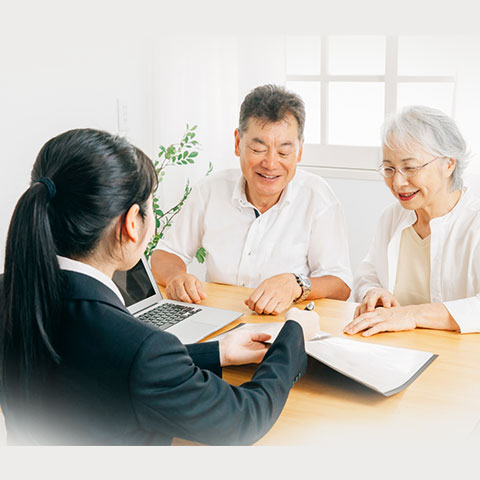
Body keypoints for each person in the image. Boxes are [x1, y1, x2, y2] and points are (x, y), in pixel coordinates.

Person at [0, 128, 320, 445]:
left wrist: (218, 351)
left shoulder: (12, 294)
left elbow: (112, 365)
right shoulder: (140, 348)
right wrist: (293, 335)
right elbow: (243, 418)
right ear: (131, 224)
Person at [152, 85, 352, 315]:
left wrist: (296, 284)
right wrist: (176, 277)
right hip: (218, 320)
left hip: (285, 326)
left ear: (299, 151)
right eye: (258, 148)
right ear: (238, 143)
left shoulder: (318, 198)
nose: (271, 163)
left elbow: (341, 284)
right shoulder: (210, 190)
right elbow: (165, 254)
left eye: (284, 152)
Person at [344, 105, 480, 337]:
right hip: (396, 349)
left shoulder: (474, 222)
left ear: (449, 164)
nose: (398, 182)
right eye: (389, 168)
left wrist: (411, 315)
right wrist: (373, 293)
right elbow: (367, 275)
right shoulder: (391, 217)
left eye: (410, 167)